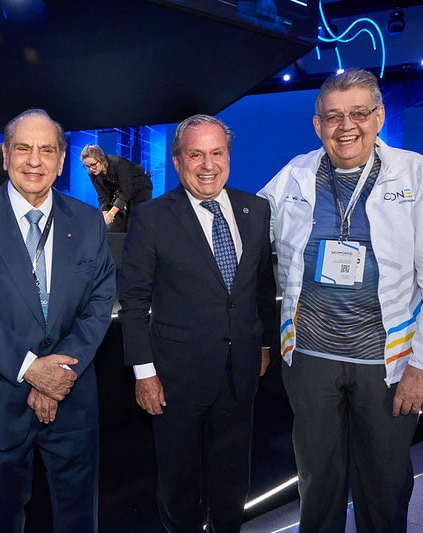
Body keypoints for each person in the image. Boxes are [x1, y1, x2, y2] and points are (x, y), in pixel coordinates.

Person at [258, 69, 423, 532]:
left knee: (384, 485)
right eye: (333, 116)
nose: (345, 126)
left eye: (358, 113)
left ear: (379, 117)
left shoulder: (414, 173)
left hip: (386, 366)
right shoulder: (295, 174)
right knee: (317, 483)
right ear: (318, 125)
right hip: (309, 360)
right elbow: (251, 226)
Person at [0, 109, 116, 533]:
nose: (35, 161)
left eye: (47, 150)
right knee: (0, 521)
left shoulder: (88, 221)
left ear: (61, 159)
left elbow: (100, 301)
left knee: (79, 520)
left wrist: (58, 374)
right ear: (5, 156)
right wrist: (32, 369)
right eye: (23, 148)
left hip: (73, 401)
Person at [117, 114, 276, 532]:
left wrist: (262, 345)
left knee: (232, 480)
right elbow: (134, 302)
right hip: (175, 379)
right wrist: (144, 373)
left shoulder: (256, 210)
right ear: (177, 161)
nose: (208, 165)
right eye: (196, 155)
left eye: (217, 153)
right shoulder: (151, 218)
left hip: (240, 374)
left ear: (228, 156)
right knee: (178, 484)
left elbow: (262, 286)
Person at [80, 144, 153, 232]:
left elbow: (125, 191)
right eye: (87, 166)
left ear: (101, 159)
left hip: (139, 189)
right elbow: (103, 197)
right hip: (120, 194)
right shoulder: (92, 174)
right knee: (112, 227)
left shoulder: (118, 163)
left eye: (93, 164)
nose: (91, 169)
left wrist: (111, 213)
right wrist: (105, 215)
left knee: (133, 224)